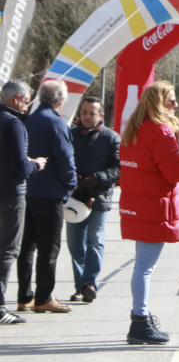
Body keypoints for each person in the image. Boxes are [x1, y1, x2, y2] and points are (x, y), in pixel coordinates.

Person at [119, 81, 179, 345]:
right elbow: (176, 172)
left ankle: (140, 316)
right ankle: (139, 320)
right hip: (154, 207)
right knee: (145, 267)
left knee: (142, 264)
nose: (175, 105)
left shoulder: (133, 130)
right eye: (170, 100)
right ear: (157, 103)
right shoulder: (160, 132)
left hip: (137, 204)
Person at [17, 80, 76, 314]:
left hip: (27, 190)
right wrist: (71, 185)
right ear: (60, 100)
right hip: (51, 193)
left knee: (26, 247)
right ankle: (44, 297)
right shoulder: (56, 123)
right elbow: (65, 158)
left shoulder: (28, 120)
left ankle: (25, 296)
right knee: (49, 248)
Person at [66, 96, 120, 304]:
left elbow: (118, 169)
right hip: (73, 199)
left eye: (92, 113)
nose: (88, 117)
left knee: (95, 241)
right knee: (75, 244)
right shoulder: (69, 134)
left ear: (101, 115)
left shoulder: (111, 137)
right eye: (85, 112)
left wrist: (96, 179)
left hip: (99, 198)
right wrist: (72, 180)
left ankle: (89, 283)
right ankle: (80, 286)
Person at [0, 81, 45, 324]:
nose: (27, 106)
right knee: (7, 251)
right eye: (26, 101)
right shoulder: (13, 123)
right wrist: (35, 163)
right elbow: (20, 167)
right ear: (17, 99)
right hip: (10, 193)